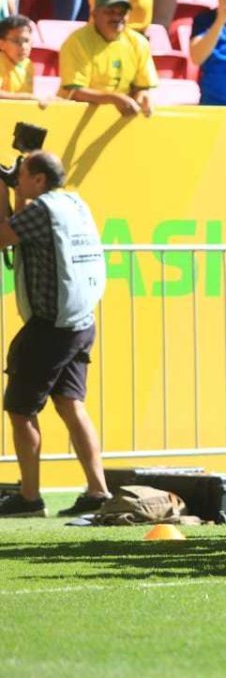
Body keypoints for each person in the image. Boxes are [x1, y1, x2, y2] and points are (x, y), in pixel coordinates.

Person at [0, 152, 109, 519]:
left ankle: (29, 498)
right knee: (69, 405)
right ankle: (98, 490)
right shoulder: (71, 203)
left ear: (39, 180)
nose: (19, 180)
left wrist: (2, 192)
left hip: (49, 327)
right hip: (80, 320)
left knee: (20, 410)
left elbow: (3, 236)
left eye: (23, 175)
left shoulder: (41, 209)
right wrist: (14, 191)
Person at [57, 0, 158, 116]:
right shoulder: (77, 42)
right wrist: (113, 99)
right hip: (75, 116)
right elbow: (75, 91)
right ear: (94, 14)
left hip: (118, 117)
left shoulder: (138, 42)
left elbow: (143, 86)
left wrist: (143, 97)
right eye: (110, 12)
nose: (116, 17)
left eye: (122, 13)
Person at [0, 15, 47, 105]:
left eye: (26, 40)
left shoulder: (28, 64)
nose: (23, 46)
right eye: (16, 41)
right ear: (1, 44)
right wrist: (27, 97)